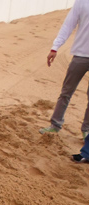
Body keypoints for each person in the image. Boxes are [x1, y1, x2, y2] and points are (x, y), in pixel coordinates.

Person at [39, 0, 89, 140]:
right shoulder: (81, 2)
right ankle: (55, 125)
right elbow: (68, 25)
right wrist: (55, 47)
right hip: (80, 55)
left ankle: (87, 130)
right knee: (66, 92)